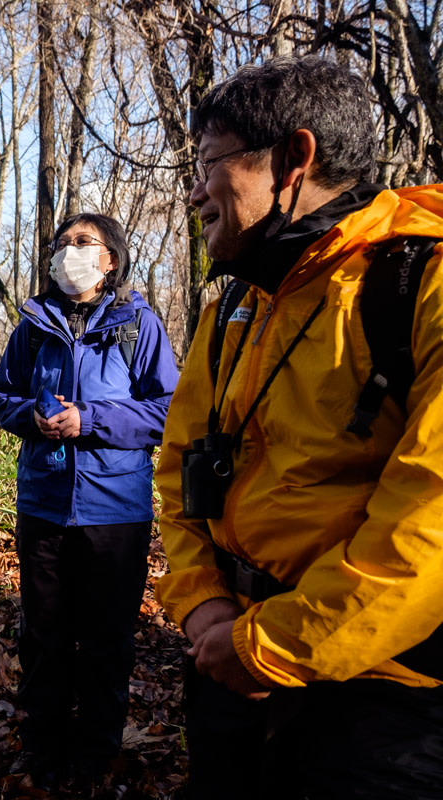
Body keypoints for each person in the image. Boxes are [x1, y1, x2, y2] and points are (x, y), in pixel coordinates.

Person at [156, 55, 443, 799]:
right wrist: (205, 608)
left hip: (388, 695)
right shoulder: (234, 306)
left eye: (209, 164)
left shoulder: (421, 281)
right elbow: (181, 465)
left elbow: (430, 525)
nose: (195, 191)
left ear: (294, 158)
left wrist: (272, 648)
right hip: (227, 660)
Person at [0, 213, 179, 793]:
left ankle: (95, 756)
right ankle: (43, 749)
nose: (68, 252)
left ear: (111, 259)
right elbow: (2, 399)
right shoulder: (33, 325)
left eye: (83, 243)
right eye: (61, 243)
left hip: (115, 512)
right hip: (43, 505)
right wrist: (35, 419)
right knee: (44, 635)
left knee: (106, 639)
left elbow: (167, 409)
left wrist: (89, 419)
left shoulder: (138, 323)